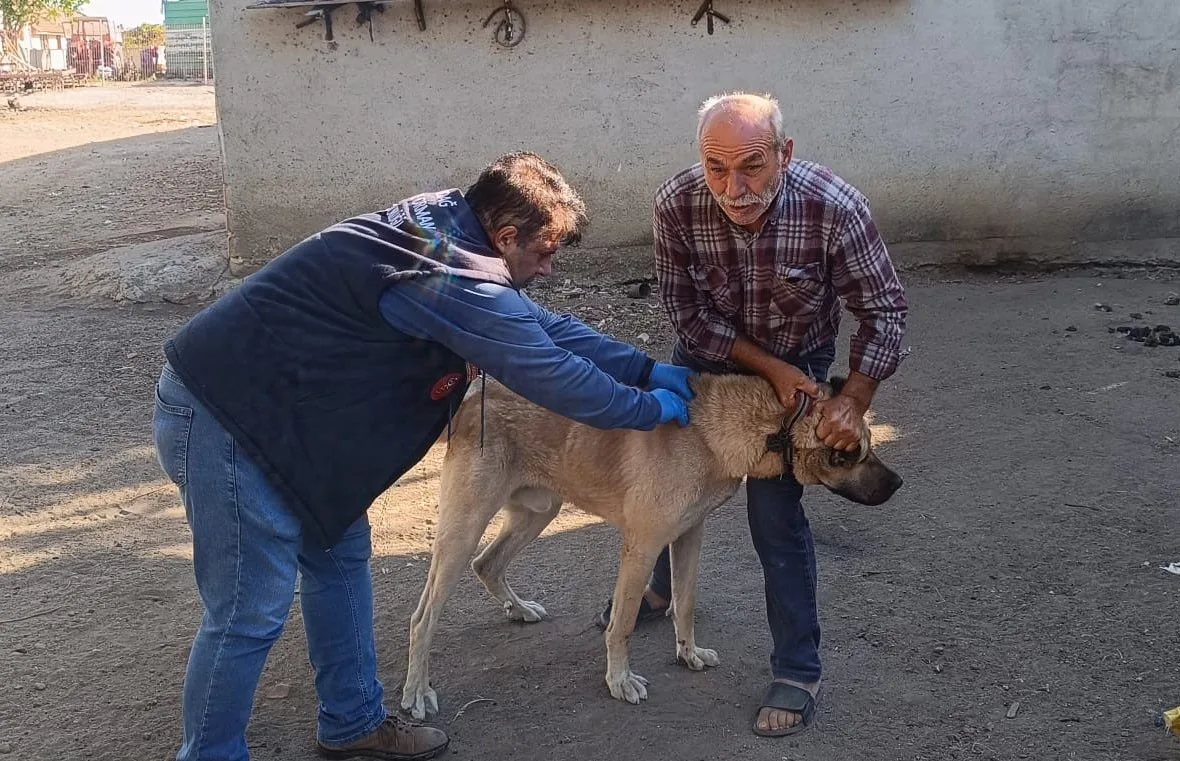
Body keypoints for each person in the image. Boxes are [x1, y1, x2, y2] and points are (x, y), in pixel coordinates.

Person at [151, 151, 697, 761]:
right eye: (544, 252)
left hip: (292, 420)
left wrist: (646, 368)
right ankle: (211, 753)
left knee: (339, 557)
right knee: (251, 604)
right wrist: (647, 409)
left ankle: (352, 721)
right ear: (507, 236)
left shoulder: (448, 228)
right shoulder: (453, 276)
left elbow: (546, 327)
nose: (549, 267)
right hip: (226, 414)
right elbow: (549, 372)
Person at [601, 92, 908, 737]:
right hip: (710, 361)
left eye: (752, 166)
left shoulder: (835, 207)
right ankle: (658, 589)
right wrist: (766, 368)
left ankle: (797, 669)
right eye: (716, 167)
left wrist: (852, 399)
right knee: (669, 488)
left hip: (801, 362)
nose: (733, 187)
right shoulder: (676, 203)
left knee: (774, 516)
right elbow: (688, 317)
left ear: (784, 154)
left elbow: (885, 313)